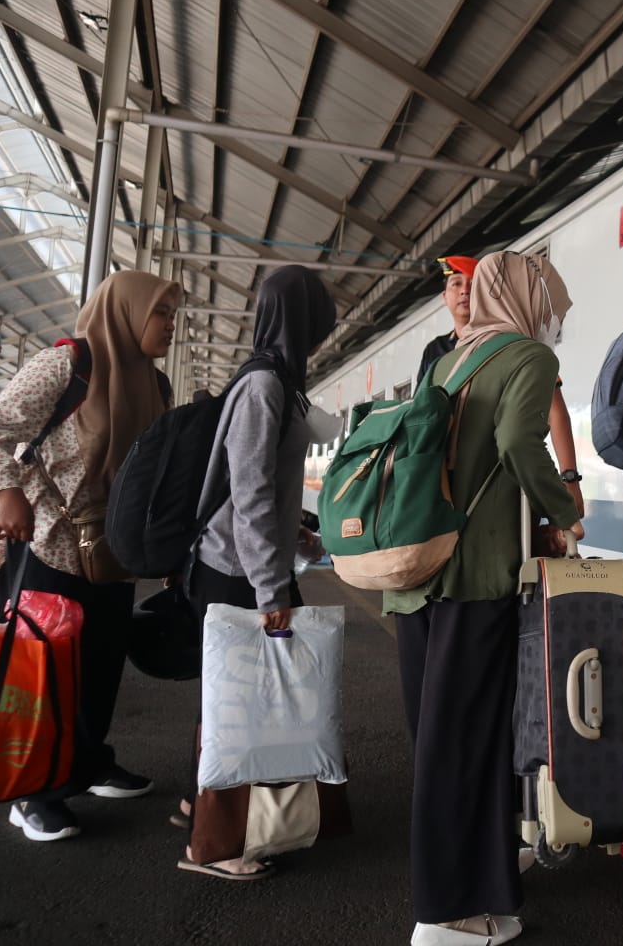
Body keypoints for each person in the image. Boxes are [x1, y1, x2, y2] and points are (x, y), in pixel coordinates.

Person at [385, 251, 583, 946]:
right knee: (466, 744)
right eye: (549, 300)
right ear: (526, 298)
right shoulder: (526, 356)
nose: (553, 316)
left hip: (421, 577)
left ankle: (485, 888)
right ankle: (447, 913)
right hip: (474, 578)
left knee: (448, 740)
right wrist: (562, 512)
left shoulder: (451, 360)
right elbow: (517, 443)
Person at [0, 270, 182, 840]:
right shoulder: (66, 365)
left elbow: (151, 473)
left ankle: (87, 762)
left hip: (113, 548)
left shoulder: (156, 387)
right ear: (128, 312)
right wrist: (8, 491)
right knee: (41, 671)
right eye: (162, 313)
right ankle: (32, 791)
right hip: (45, 542)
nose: (171, 326)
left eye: (174, 315)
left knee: (102, 661)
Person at [177, 265, 338, 880]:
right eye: (321, 320)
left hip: (249, 563)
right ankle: (215, 845)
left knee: (233, 703)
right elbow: (247, 492)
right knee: (240, 707)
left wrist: (293, 533)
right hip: (236, 571)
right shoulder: (265, 386)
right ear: (303, 321)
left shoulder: (274, 381)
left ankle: (203, 809)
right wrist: (272, 587)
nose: (325, 331)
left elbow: (263, 491)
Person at [419, 254, 584, 519]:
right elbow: (515, 442)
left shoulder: (442, 364)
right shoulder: (532, 355)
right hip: (497, 522)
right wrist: (563, 508)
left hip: (438, 523)